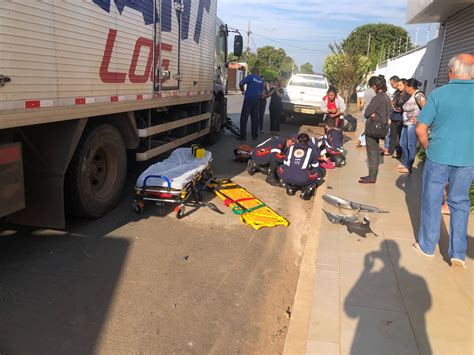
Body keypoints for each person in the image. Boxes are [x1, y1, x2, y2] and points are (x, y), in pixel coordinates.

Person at [414, 53, 474, 269]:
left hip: (439, 155)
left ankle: (428, 246)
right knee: (460, 202)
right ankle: (458, 254)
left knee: (432, 199)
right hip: (468, 159)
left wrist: (428, 147)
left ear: (451, 71)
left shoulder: (439, 94)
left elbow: (420, 129)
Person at [359, 76, 391, 184]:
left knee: (372, 152)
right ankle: (372, 175)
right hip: (383, 128)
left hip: (373, 128)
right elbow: (388, 113)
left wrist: (373, 115)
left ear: (375, 86)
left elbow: (367, 112)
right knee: (375, 151)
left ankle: (372, 176)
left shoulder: (378, 97)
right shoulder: (387, 97)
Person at [278, 133, 325, 200]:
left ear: (297, 140)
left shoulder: (291, 148)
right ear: (308, 141)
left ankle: (289, 187)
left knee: (280, 168)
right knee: (319, 174)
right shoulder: (311, 150)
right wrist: (319, 176)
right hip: (302, 179)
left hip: (287, 177)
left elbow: (285, 163)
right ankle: (305, 192)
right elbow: (316, 167)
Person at [399, 78, 426, 173]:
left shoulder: (418, 95)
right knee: (402, 144)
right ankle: (406, 162)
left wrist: (418, 118)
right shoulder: (410, 95)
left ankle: (409, 166)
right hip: (406, 123)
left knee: (411, 145)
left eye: (406, 86)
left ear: (410, 87)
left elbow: (426, 108)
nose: (405, 88)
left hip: (412, 124)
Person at [238, 67, 264, 141]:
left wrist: (243, 91)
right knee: (255, 118)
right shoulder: (261, 80)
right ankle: (254, 136)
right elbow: (261, 92)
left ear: (252, 72)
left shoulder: (250, 77)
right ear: (258, 72)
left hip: (248, 100)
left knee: (244, 118)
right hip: (256, 101)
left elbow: (241, 83)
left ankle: (243, 136)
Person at [389, 78, 410, 158]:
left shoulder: (407, 95)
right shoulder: (397, 93)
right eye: (398, 85)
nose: (399, 87)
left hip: (402, 117)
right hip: (394, 115)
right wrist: (393, 104)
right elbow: (394, 101)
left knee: (401, 136)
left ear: (405, 85)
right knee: (392, 134)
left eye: (401, 85)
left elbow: (407, 106)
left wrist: (401, 108)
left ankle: (399, 152)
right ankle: (391, 150)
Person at [358, 76, 378, 147]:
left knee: (367, 127)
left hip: (366, 111)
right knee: (368, 128)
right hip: (370, 112)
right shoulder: (373, 92)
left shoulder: (367, 90)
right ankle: (363, 142)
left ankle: (361, 140)